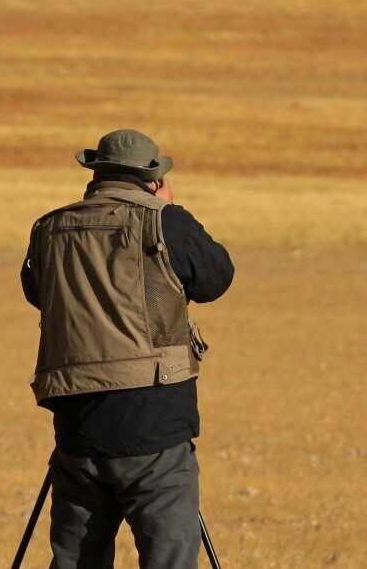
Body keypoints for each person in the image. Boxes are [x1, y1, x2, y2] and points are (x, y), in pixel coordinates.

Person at [21, 129, 234, 568]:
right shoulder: (164, 221)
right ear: (153, 179)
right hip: (155, 421)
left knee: (76, 559)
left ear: (95, 175)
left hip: (78, 423)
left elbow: (36, 292)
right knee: (169, 558)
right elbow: (216, 277)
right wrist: (168, 211)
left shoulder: (50, 228)